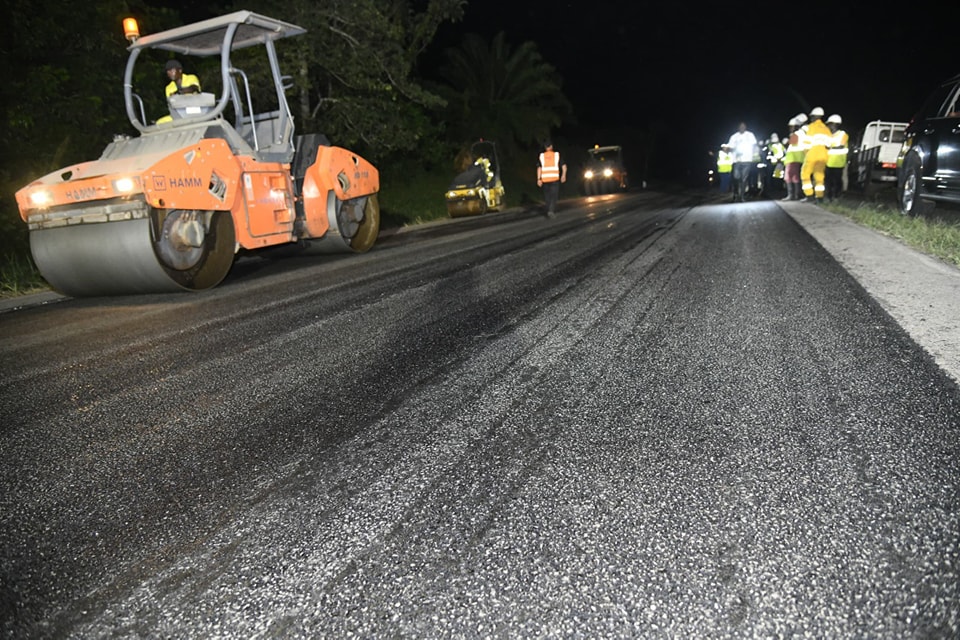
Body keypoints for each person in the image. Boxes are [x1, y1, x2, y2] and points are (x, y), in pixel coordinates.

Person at [800, 107, 832, 202]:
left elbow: (806, 144)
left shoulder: (810, 127)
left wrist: (806, 154)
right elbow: (829, 145)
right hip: (823, 156)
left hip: (812, 154)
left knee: (805, 174)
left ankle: (809, 195)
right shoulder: (826, 129)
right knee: (819, 176)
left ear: (813, 117)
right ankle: (819, 196)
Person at [722, 121, 759, 202]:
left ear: (745, 127)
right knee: (736, 177)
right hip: (736, 160)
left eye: (744, 126)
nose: (742, 127)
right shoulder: (734, 137)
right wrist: (728, 149)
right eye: (740, 126)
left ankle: (741, 196)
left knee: (744, 179)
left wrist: (754, 151)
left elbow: (754, 144)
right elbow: (729, 147)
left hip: (747, 160)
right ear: (738, 127)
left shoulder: (750, 135)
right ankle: (736, 192)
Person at [537, 139, 567, 218]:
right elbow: (564, 166)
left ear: (545, 147)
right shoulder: (557, 155)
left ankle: (549, 209)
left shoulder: (542, 156)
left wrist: (538, 179)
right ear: (551, 146)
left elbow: (539, 168)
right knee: (554, 196)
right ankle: (551, 210)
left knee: (547, 196)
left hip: (545, 179)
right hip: (554, 179)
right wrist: (563, 175)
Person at [825, 114, 849, 201]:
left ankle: (837, 196)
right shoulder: (829, 136)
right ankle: (829, 196)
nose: (828, 126)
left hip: (838, 162)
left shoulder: (842, 134)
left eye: (829, 124)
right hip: (828, 162)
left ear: (834, 124)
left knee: (837, 180)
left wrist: (830, 147)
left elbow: (841, 146)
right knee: (828, 181)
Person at [781, 117, 806, 201]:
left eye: (792, 126)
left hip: (794, 158)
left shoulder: (797, 134)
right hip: (795, 158)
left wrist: (786, 142)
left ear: (796, 126)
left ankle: (792, 195)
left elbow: (790, 143)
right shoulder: (801, 133)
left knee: (789, 177)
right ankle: (796, 195)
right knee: (795, 177)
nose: (790, 128)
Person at [765, 132, 786, 198]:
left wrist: (781, 160)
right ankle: (771, 189)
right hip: (772, 164)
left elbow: (785, 153)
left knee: (778, 176)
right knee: (771, 177)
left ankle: (778, 188)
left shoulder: (781, 145)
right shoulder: (769, 146)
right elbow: (768, 155)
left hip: (779, 163)